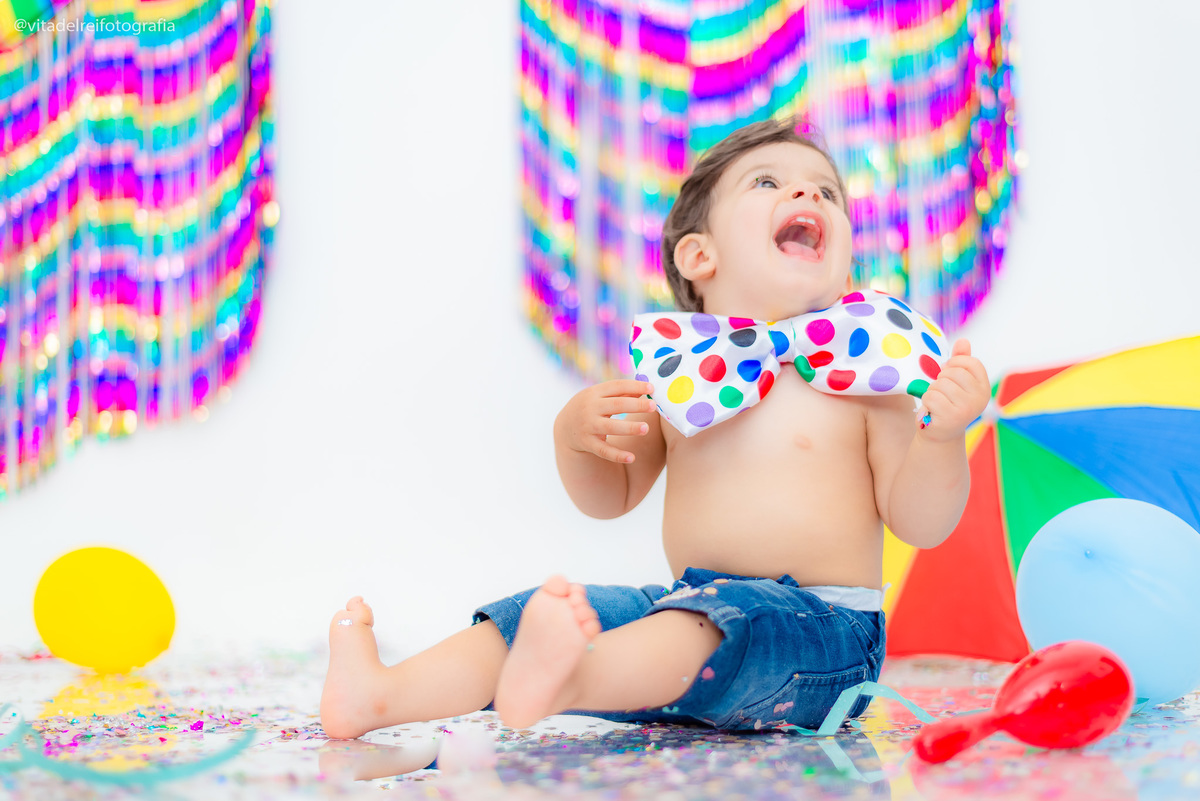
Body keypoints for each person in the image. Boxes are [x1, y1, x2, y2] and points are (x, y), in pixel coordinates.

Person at [319, 116, 991, 740]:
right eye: (769, 183)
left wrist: (940, 437)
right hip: (688, 604)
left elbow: (922, 522)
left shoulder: (868, 379)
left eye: (827, 191)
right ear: (699, 257)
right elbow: (609, 496)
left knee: (723, 621)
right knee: (557, 610)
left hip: (824, 636)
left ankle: (573, 675)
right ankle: (380, 694)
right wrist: (574, 436)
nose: (807, 195)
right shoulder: (687, 379)